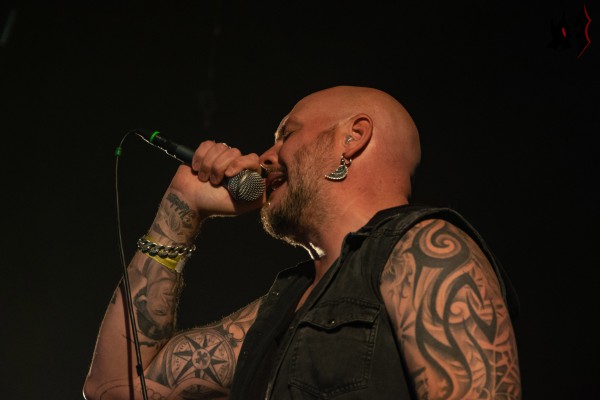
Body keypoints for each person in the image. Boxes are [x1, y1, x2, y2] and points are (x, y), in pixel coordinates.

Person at [83, 86, 521, 400]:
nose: (264, 157)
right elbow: (114, 388)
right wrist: (180, 209)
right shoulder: (286, 304)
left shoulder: (427, 249)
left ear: (353, 137)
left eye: (286, 135)